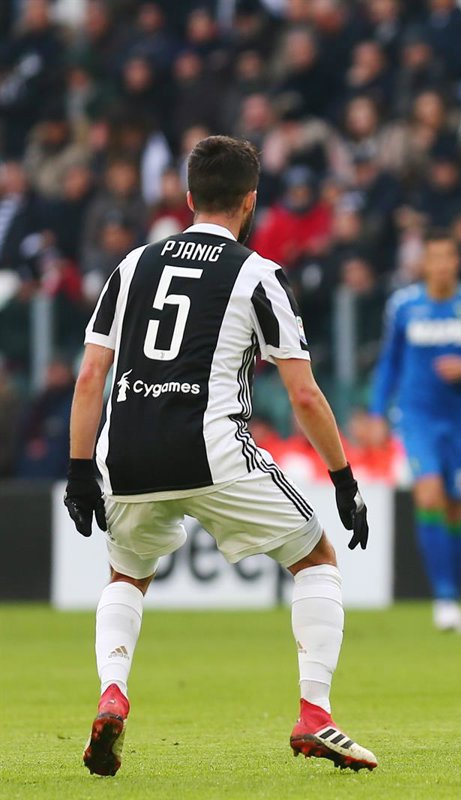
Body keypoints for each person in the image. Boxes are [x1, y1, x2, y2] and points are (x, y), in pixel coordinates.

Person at [63, 136, 377, 775]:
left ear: (188, 197)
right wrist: (344, 478)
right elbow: (304, 394)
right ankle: (314, 713)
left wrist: (78, 469)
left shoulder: (132, 265)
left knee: (127, 575)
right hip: (212, 450)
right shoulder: (258, 274)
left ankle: (113, 694)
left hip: (126, 454)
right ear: (250, 201)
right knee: (315, 556)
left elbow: (91, 374)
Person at [370, 230, 461, 633]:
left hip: (460, 420)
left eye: (449, 257)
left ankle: (453, 595)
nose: (442, 265)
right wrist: (377, 412)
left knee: (456, 505)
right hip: (416, 417)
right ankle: (444, 598)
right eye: (435, 257)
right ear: (424, 263)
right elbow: (389, 362)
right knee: (428, 494)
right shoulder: (404, 306)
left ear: (456, 262)